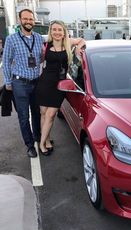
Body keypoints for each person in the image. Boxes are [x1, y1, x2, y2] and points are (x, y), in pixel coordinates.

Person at [35, 20, 85, 156]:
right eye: (54, 29)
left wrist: (79, 48)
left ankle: (41, 143)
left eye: (60, 30)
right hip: (45, 83)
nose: (57, 32)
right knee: (44, 113)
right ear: (51, 31)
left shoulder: (68, 43)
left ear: (64, 32)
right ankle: (47, 140)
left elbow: (81, 40)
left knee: (51, 115)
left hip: (59, 85)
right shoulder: (46, 44)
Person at [2, 8, 44, 157]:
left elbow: (43, 57)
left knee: (37, 113)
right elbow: (6, 62)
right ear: (20, 20)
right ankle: (29, 144)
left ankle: (38, 137)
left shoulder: (39, 38)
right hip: (19, 84)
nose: (28, 21)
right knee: (24, 116)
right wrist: (8, 82)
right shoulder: (11, 39)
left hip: (36, 82)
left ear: (34, 21)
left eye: (31, 19)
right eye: (25, 19)